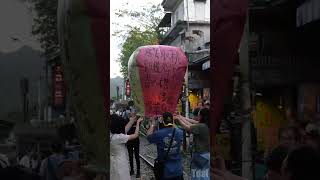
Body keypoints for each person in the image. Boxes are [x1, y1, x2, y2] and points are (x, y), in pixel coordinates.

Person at [175, 108, 210, 180]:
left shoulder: (201, 126)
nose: (198, 116)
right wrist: (181, 117)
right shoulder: (206, 125)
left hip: (200, 154)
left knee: (197, 174)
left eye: (199, 114)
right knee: (205, 172)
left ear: (202, 116)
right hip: (207, 154)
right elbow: (192, 122)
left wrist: (179, 120)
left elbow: (187, 127)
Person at [147, 112, 184, 180]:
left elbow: (148, 137)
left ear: (162, 121)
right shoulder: (180, 132)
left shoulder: (158, 134)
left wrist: (152, 124)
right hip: (178, 170)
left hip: (165, 171)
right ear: (172, 120)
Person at [110, 114, 143, 180]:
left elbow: (124, 130)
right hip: (120, 163)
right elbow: (136, 135)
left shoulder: (111, 135)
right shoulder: (119, 137)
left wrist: (133, 120)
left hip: (113, 161)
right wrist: (138, 123)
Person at [126, 110, 141, 178]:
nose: (133, 114)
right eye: (132, 112)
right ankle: (132, 170)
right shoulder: (127, 120)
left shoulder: (138, 121)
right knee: (130, 156)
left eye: (135, 112)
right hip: (129, 140)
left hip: (136, 140)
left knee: (137, 156)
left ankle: (138, 171)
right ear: (130, 113)